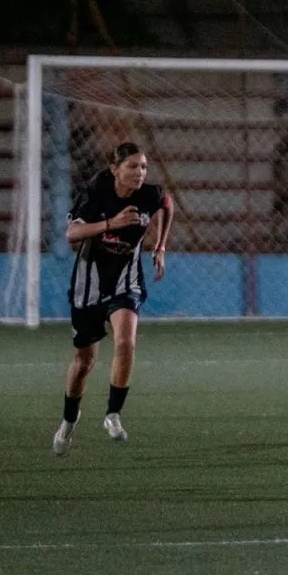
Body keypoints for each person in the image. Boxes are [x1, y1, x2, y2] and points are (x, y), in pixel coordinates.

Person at [52, 142, 174, 455]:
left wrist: (160, 247)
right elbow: (71, 234)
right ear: (115, 169)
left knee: (125, 342)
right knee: (84, 362)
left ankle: (112, 415)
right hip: (89, 282)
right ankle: (68, 421)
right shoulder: (96, 192)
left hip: (126, 280)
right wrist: (111, 224)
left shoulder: (149, 194)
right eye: (132, 166)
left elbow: (167, 205)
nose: (140, 172)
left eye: (144, 166)